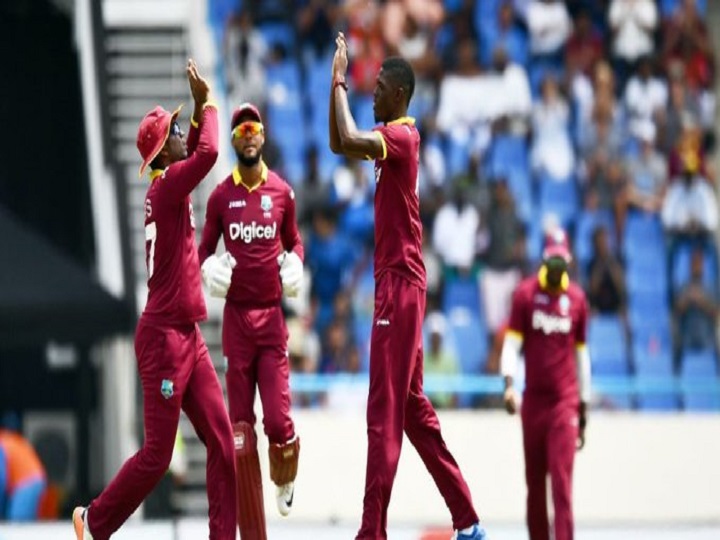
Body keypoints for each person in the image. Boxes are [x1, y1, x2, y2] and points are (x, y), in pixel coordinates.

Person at [328, 32, 487, 540]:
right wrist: (336, 85)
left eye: (376, 88)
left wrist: (337, 78)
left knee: (384, 410)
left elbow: (349, 139)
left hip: (398, 284)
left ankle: (371, 532)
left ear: (398, 93)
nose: (370, 94)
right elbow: (339, 141)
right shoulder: (390, 137)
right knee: (414, 410)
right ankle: (468, 521)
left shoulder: (401, 137)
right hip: (400, 282)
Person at [72, 59, 237, 540]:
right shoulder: (166, 188)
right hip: (163, 339)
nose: (184, 133)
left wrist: (201, 108)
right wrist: (207, 101)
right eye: (175, 131)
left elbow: (199, 153)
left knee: (222, 441)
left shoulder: (167, 187)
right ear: (164, 151)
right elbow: (207, 154)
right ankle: (93, 520)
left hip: (186, 336)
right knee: (158, 455)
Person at [198, 102, 303, 540]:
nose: (247, 135)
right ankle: (254, 533)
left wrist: (297, 263)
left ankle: (286, 474)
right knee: (240, 432)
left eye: (253, 128)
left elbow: (295, 243)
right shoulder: (221, 196)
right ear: (235, 140)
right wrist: (207, 270)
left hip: (272, 321)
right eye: (239, 130)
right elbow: (202, 252)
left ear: (263, 136)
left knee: (278, 424)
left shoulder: (282, 192)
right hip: (237, 323)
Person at [501, 228, 592, 540]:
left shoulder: (578, 300)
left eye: (560, 265)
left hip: (564, 404)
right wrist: (509, 385)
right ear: (543, 261)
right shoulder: (525, 295)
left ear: (567, 263)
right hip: (533, 404)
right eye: (551, 264)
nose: (556, 271)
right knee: (535, 485)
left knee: (562, 484)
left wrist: (584, 409)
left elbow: (582, 359)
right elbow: (512, 345)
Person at [0, 427, 47, 521]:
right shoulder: (8, 438)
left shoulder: (2, 443)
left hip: (25, 483)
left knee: (17, 525)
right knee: (24, 524)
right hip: (36, 478)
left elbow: (2, 480)